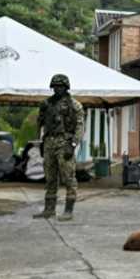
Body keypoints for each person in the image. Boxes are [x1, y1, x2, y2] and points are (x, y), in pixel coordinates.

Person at [34, 74, 84, 221]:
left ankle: (69, 210)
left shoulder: (74, 105)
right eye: (55, 86)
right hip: (49, 142)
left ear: (66, 87)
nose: (57, 89)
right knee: (50, 177)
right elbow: (40, 123)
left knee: (68, 178)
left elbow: (80, 127)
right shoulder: (46, 104)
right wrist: (40, 142)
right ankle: (49, 209)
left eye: (60, 86)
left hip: (65, 143)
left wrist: (73, 144)